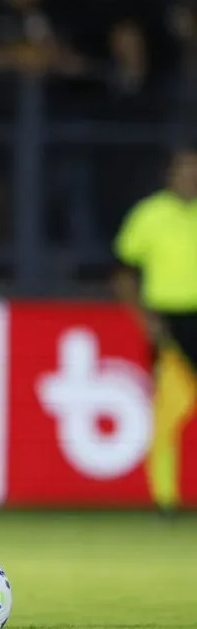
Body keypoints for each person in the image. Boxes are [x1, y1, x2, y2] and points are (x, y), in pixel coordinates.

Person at [113, 140, 197, 516]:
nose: (190, 176)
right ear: (169, 174)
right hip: (170, 327)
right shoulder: (149, 215)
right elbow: (123, 271)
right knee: (167, 416)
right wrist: (145, 317)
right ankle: (165, 501)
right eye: (184, 168)